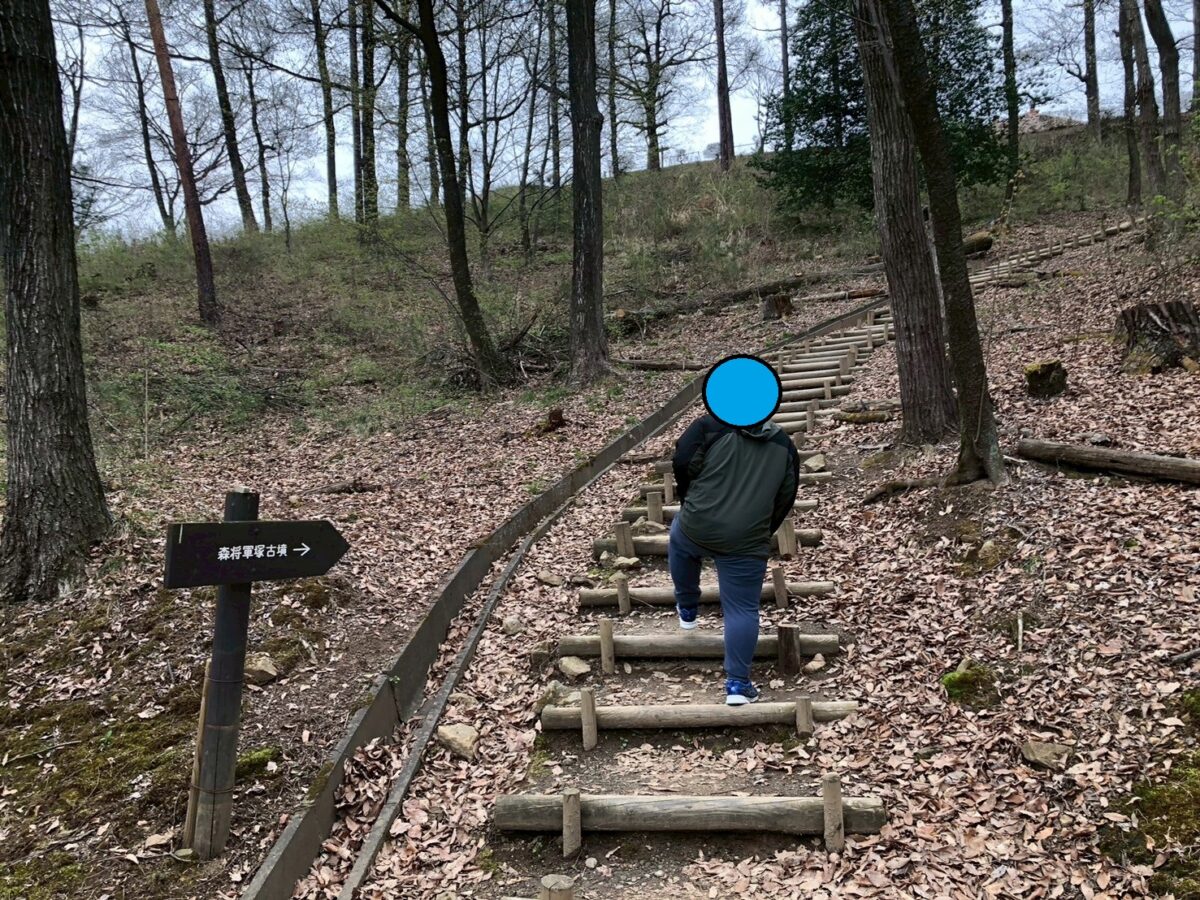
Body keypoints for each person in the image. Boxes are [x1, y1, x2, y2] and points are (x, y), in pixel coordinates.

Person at [668, 414, 799, 705]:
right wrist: (763, 529)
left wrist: (691, 498)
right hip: (747, 539)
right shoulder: (784, 443)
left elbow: (683, 460)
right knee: (742, 608)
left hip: (699, 521)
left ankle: (687, 607)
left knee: (680, 540)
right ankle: (738, 684)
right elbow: (786, 494)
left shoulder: (709, 426)